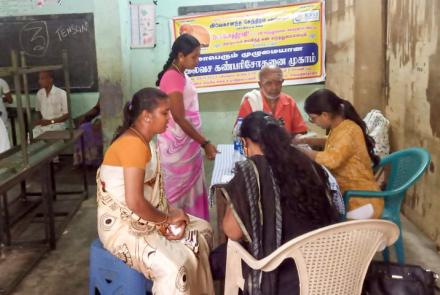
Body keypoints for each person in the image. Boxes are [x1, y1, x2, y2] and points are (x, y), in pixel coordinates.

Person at [97, 88, 214, 295]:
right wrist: (166, 220)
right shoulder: (132, 145)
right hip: (123, 226)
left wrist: (171, 214)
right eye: (165, 113)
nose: (170, 118)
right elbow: (135, 202)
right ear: (146, 116)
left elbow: (152, 196)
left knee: (201, 230)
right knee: (174, 269)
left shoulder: (146, 143)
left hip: (144, 217)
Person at [210, 111, 339, 295]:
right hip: (323, 264)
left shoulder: (251, 171)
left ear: (245, 143)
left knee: (216, 259)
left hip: (281, 273)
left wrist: (239, 194)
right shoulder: (306, 162)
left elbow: (232, 231)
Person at [155, 34, 217, 221]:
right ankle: (180, 232)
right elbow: (180, 118)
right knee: (176, 196)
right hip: (176, 151)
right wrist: (204, 142)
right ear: (181, 56)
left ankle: (194, 231)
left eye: (199, 56)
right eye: (194, 57)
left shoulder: (180, 74)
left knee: (190, 191)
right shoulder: (172, 77)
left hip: (187, 145)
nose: (197, 61)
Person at [296, 88, 384, 219]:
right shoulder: (339, 126)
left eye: (313, 118)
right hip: (350, 194)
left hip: (362, 202)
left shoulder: (349, 130)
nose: (313, 122)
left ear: (325, 115)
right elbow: (333, 142)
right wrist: (305, 140)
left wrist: (303, 151)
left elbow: (331, 160)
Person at [236, 65, 308, 137]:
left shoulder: (289, 101)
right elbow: (240, 133)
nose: (274, 87)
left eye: (278, 82)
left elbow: (301, 131)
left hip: (285, 147)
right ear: (260, 84)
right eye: (269, 83)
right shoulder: (251, 102)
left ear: (282, 82)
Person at [32, 71, 69, 138]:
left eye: (42, 79)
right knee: (31, 136)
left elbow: (66, 115)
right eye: (39, 79)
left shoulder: (62, 93)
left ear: (50, 79)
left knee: (47, 139)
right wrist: (39, 121)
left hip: (57, 125)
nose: (39, 81)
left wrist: (50, 121)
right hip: (44, 124)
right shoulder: (39, 93)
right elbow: (38, 111)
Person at [73, 99, 103, 167]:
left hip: (113, 118)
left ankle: (95, 159)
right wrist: (84, 115)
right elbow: (97, 108)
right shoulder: (103, 92)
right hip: (100, 117)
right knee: (83, 127)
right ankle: (83, 160)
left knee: (97, 126)